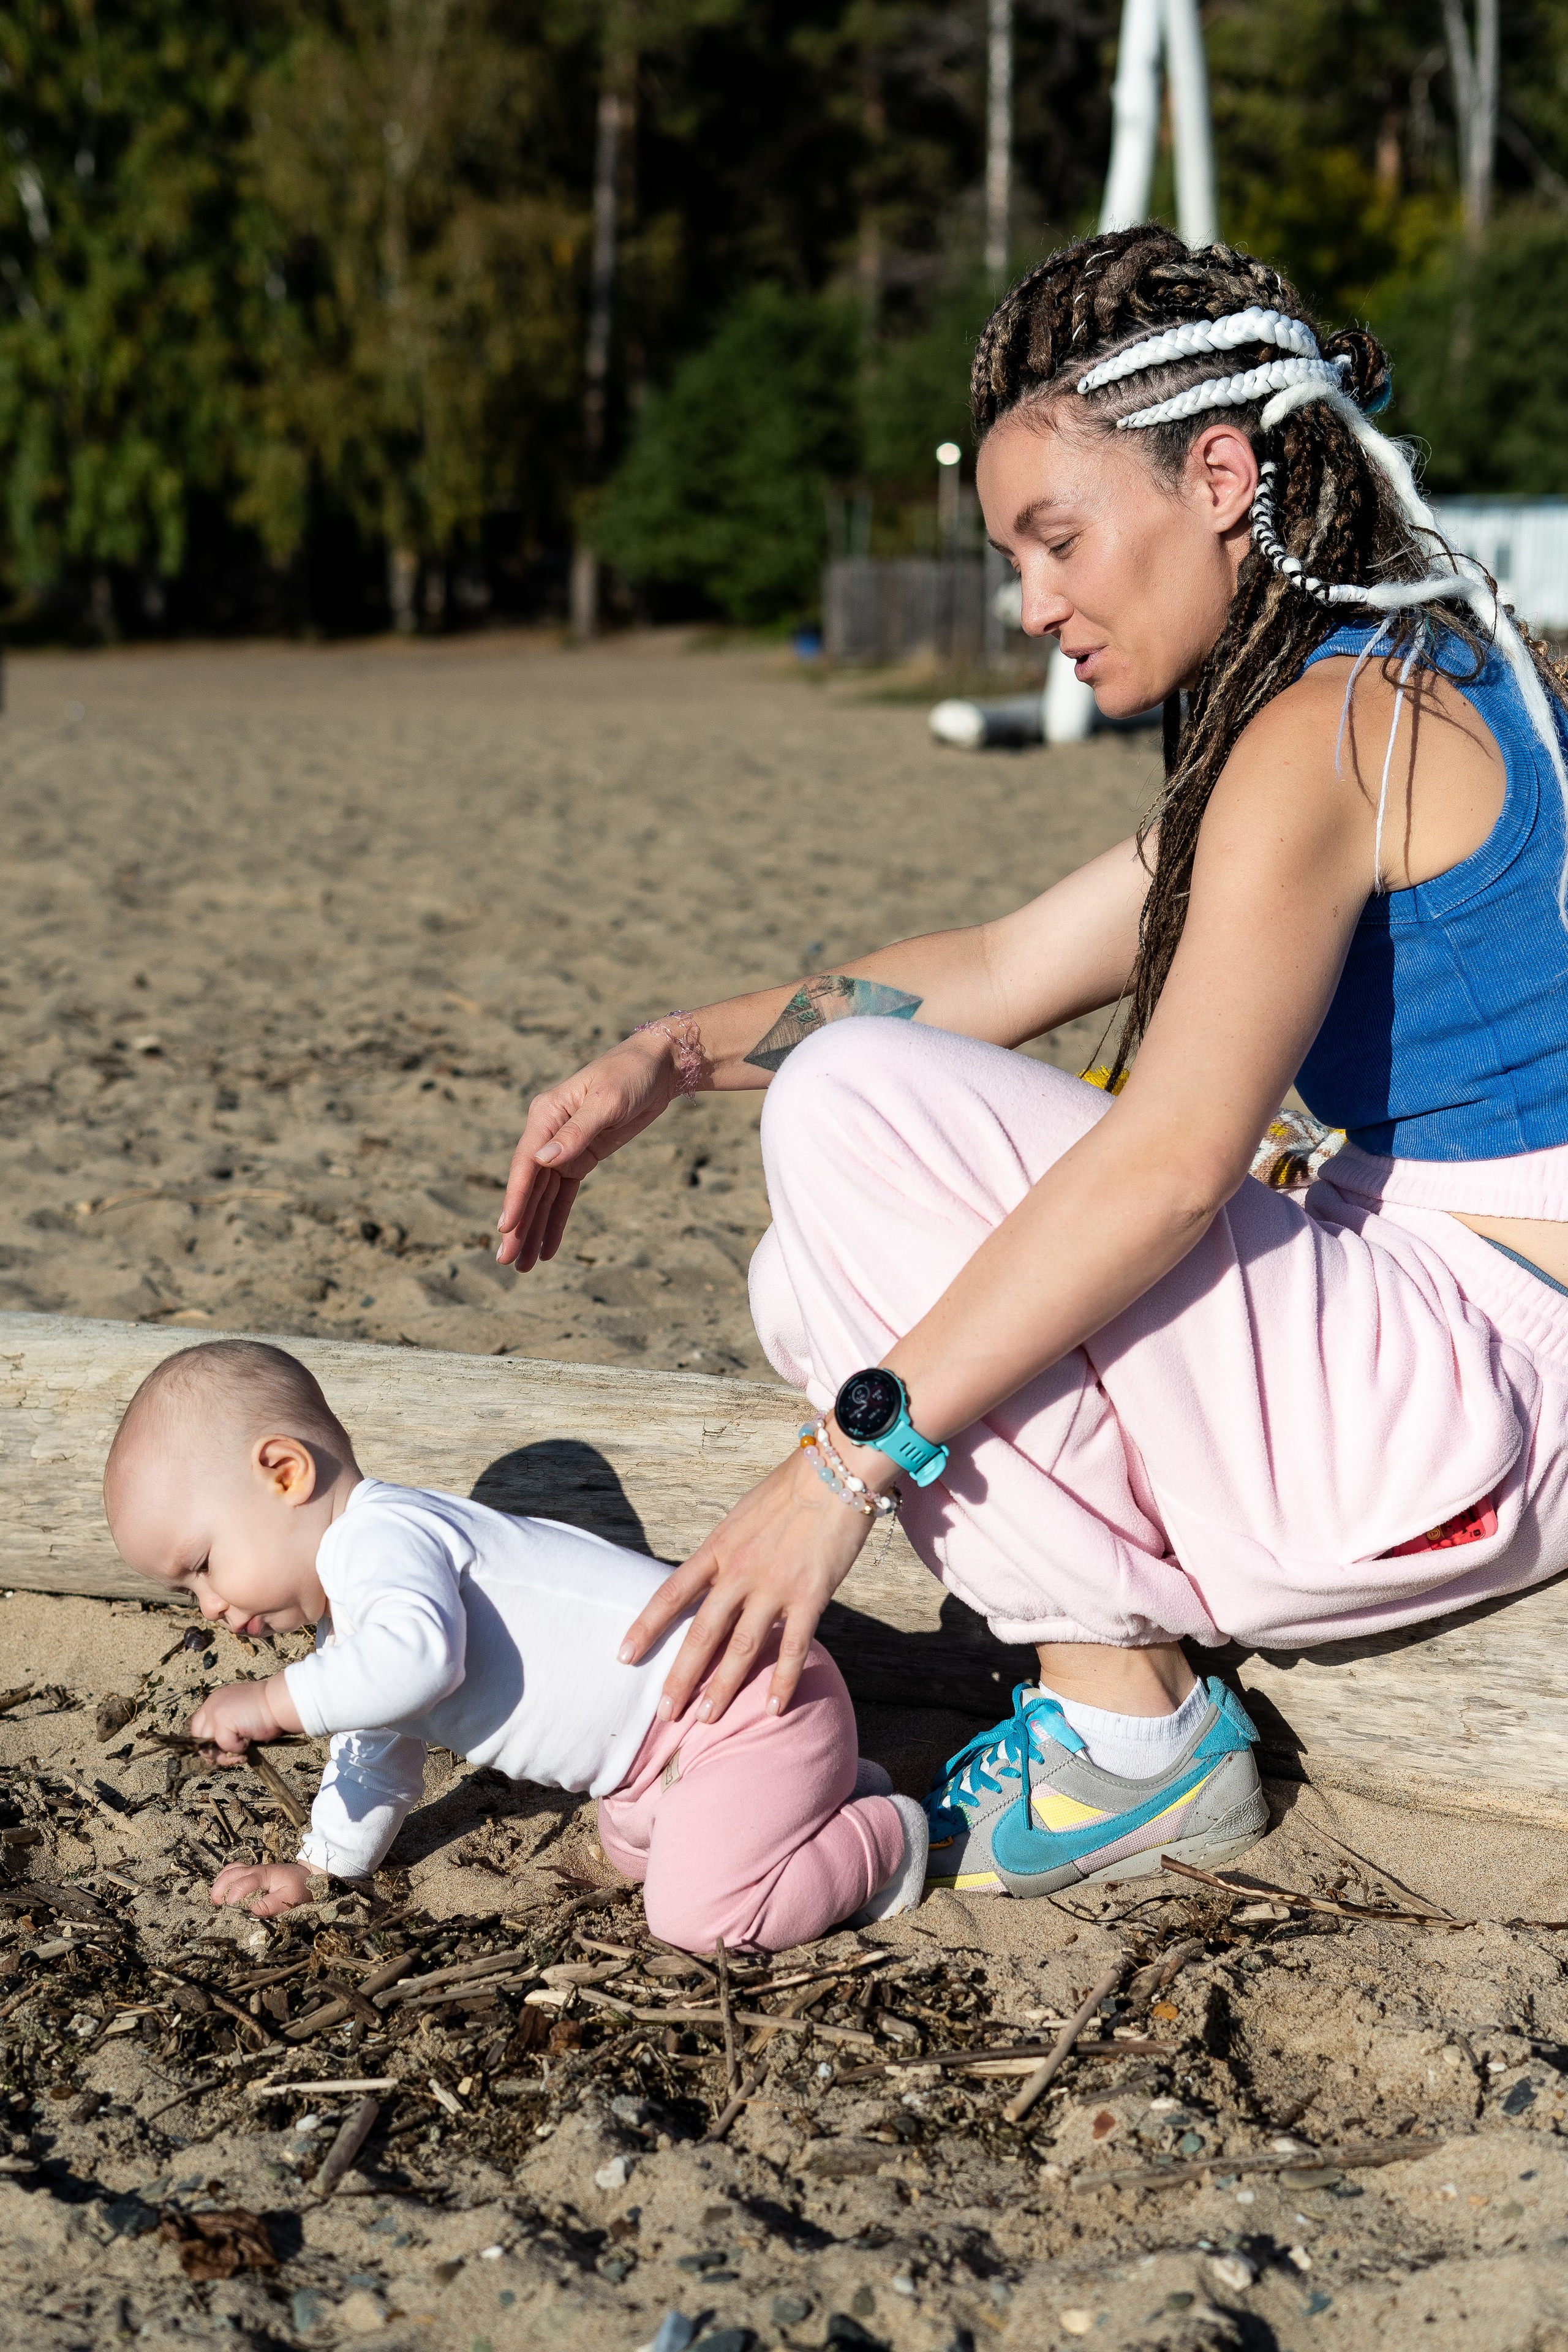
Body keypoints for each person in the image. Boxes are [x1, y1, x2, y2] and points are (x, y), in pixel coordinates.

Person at [496, 224, 1568, 1899]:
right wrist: (673, 1053)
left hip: (1465, 1409)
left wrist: (835, 1475)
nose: (1032, 605)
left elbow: (1173, 1163)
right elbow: (1002, 966)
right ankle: (1125, 1667)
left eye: (1056, 540)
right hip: (1443, 1386)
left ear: (1221, 477)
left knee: (854, 1120)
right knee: (813, 1269)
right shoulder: (1362, 695)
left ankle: (1129, 1734)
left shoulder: (1329, 733)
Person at [100, 1338, 928, 1948]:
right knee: (632, 1851)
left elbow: (417, 1662)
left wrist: (272, 1701)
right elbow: (374, 1751)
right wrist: (321, 1867)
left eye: (203, 1565)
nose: (209, 1605)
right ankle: (816, 1795)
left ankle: (883, 1838)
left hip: (744, 1700)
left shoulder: (381, 1541)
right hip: (668, 1753)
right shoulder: (356, 1623)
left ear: (285, 1472)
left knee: (697, 1920)